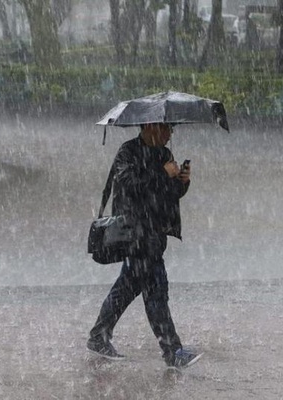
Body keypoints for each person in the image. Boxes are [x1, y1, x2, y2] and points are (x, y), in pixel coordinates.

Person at [87, 123, 202, 369]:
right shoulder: (127, 152)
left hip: (155, 233)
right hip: (136, 235)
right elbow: (129, 186)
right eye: (166, 128)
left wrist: (181, 182)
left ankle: (99, 336)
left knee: (127, 288)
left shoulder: (164, 154)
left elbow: (169, 193)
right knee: (156, 292)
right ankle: (172, 351)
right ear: (150, 126)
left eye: (171, 129)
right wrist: (162, 174)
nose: (170, 133)